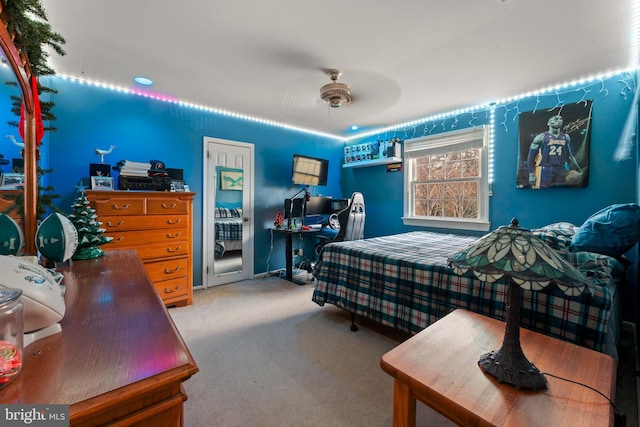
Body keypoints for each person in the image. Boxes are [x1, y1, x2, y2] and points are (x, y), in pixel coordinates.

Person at [527, 115, 583, 189]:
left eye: (560, 119)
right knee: (541, 193)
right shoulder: (541, 137)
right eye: (556, 119)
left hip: (560, 169)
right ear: (548, 123)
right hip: (544, 169)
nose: (559, 120)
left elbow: (570, 155)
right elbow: (531, 156)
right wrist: (531, 173)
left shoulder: (566, 137)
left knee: (557, 192)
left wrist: (579, 169)